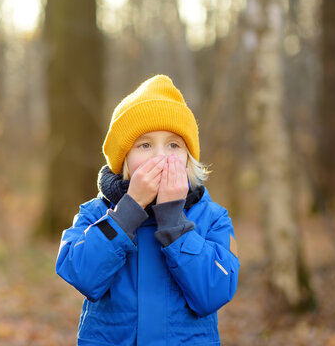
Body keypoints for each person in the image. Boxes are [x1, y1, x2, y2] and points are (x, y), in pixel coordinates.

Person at [56, 75, 240, 345]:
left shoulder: (212, 218)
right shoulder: (96, 213)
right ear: (124, 159)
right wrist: (126, 212)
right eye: (145, 145)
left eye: (174, 145)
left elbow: (214, 293)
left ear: (189, 160)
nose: (160, 156)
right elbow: (81, 274)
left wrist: (174, 224)